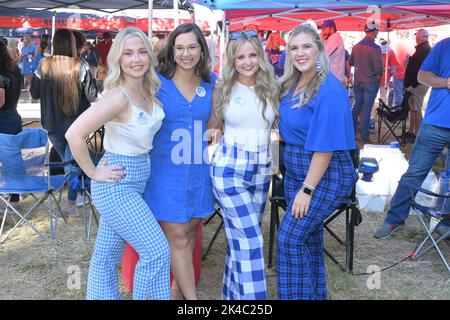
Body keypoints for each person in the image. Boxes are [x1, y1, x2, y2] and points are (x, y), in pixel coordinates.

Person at [65, 27, 170, 300]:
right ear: (118, 59)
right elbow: (74, 134)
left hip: (137, 179)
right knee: (157, 250)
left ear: (150, 55)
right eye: (128, 53)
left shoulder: (147, 89)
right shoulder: (118, 96)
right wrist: (92, 171)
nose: (136, 59)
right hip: (116, 182)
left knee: (105, 256)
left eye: (141, 52)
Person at [276, 23, 357, 300]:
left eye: (306, 46)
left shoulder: (329, 90)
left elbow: (325, 148)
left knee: (289, 239)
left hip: (324, 171)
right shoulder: (291, 83)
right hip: (296, 167)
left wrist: (307, 190)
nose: (300, 53)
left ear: (320, 49)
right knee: (307, 239)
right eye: (294, 48)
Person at [143, 23, 215, 300]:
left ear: (202, 50)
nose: (186, 53)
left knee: (192, 229)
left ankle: (176, 296)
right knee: (178, 236)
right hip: (164, 170)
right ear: (171, 50)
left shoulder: (211, 83)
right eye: (180, 47)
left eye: (192, 47)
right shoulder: (156, 82)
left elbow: (212, 125)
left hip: (197, 169)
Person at [209, 30, 278, 300]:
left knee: (240, 240)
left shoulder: (272, 87)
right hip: (228, 170)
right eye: (240, 56)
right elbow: (211, 131)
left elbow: (275, 128)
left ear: (260, 57)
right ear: (232, 59)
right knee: (252, 240)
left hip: (262, 170)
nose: (247, 62)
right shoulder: (223, 88)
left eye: (252, 55)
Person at [374, 37, 450, 240]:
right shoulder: (445, 45)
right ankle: (394, 220)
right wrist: (446, 82)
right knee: (414, 173)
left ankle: (445, 222)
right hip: (435, 123)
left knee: (449, 179)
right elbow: (423, 75)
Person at [30, 29, 98, 215]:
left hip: (52, 125)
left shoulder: (43, 65)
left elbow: (34, 93)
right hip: (77, 125)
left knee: (71, 163)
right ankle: (73, 200)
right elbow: (92, 95)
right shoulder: (80, 66)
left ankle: (75, 198)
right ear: (72, 44)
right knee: (72, 164)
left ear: (54, 43)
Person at [350, 23, 383, 144]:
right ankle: (364, 136)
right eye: (377, 31)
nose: (378, 32)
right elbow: (378, 67)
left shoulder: (356, 46)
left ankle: (351, 133)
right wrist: (378, 78)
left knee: (356, 108)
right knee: (366, 110)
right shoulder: (375, 48)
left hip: (358, 81)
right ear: (373, 32)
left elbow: (351, 62)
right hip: (370, 82)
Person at [0, 40, 24, 204]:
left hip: (3, 119)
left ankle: (11, 196)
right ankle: (14, 195)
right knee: (13, 159)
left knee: (8, 159)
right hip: (14, 116)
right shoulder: (14, 68)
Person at [404, 29, 432, 143]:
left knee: (416, 109)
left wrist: (412, 84)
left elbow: (418, 70)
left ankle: (418, 134)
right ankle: (412, 132)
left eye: (417, 37)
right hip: (418, 83)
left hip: (418, 84)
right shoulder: (424, 49)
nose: (415, 39)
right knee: (413, 108)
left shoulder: (424, 50)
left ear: (420, 38)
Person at [319, 19, 346, 86]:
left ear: (331, 28)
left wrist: (320, 39)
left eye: (325, 28)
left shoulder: (334, 39)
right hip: (335, 78)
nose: (323, 30)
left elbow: (322, 55)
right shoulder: (333, 38)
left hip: (335, 79)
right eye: (322, 28)